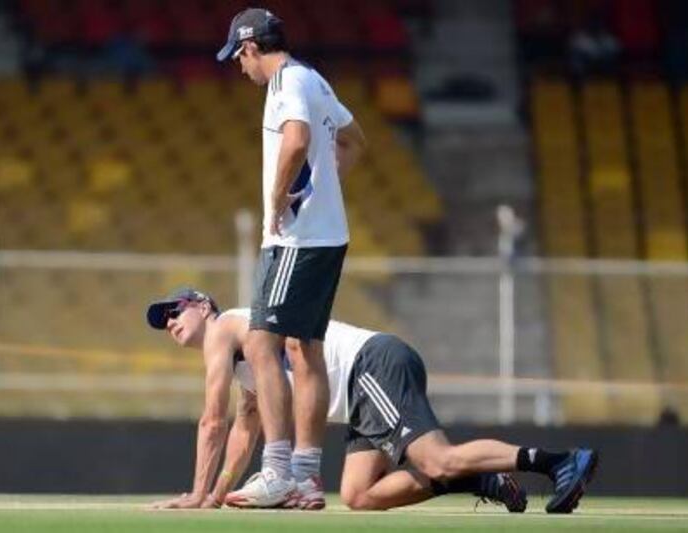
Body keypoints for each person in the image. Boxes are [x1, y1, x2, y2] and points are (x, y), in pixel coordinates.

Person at [145, 289, 599, 513]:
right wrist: (215, 496)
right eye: (163, 321)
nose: (169, 322)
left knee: (437, 458)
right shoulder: (250, 361)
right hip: (360, 392)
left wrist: (198, 494)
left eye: (174, 310)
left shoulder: (226, 329)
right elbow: (245, 430)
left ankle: (558, 461)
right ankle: (483, 482)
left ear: (203, 306)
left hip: (371, 365)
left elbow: (212, 421)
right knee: (359, 496)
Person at [215, 7, 366, 508]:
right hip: (327, 235)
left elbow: (298, 140)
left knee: (260, 344)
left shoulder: (284, 85)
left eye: (238, 57)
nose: (240, 68)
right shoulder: (315, 80)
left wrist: (280, 200)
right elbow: (354, 139)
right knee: (306, 351)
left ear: (250, 47)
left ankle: (277, 470)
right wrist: (326, 189)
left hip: (294, 241)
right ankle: (305, 476)